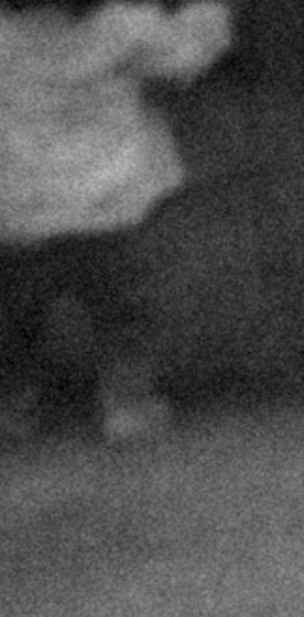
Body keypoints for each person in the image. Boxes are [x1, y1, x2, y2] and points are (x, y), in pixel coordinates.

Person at [0, 0, 230, 444]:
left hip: (21, 209)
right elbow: (191, 54)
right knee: (125, 316)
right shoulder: (124, 26)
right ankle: (127, 405)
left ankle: (14, 404)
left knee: (13, 319)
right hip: (113, 208)